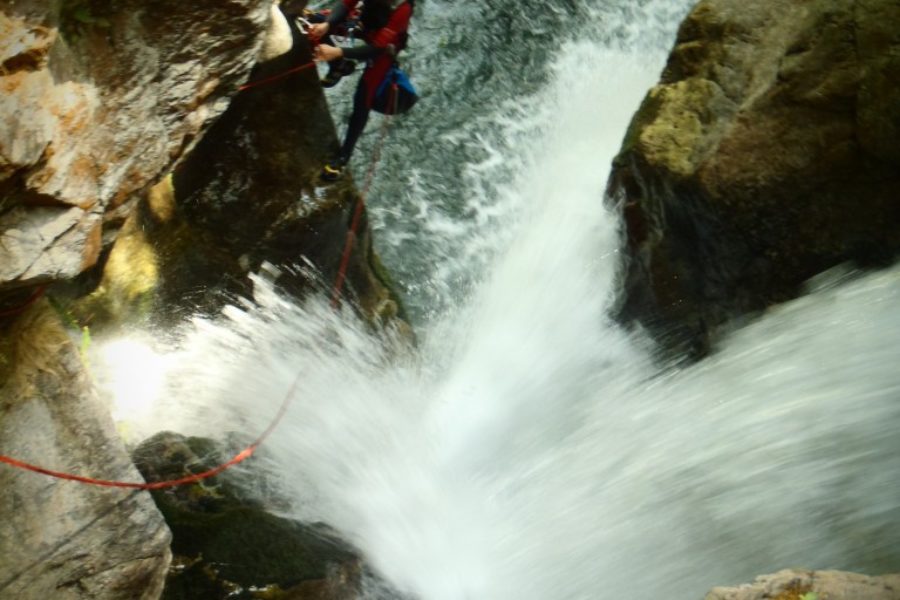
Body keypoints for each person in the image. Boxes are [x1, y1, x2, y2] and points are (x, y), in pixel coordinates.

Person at [309, 0, 414, 182]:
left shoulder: (403, 7)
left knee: (363, 99)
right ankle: (339, 67)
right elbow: (347, 4)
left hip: (382, 49)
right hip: (365, 27)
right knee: (314, 21)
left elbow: (378, 48)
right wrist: (327, 24)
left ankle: (343, 157)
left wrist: (339, 51)